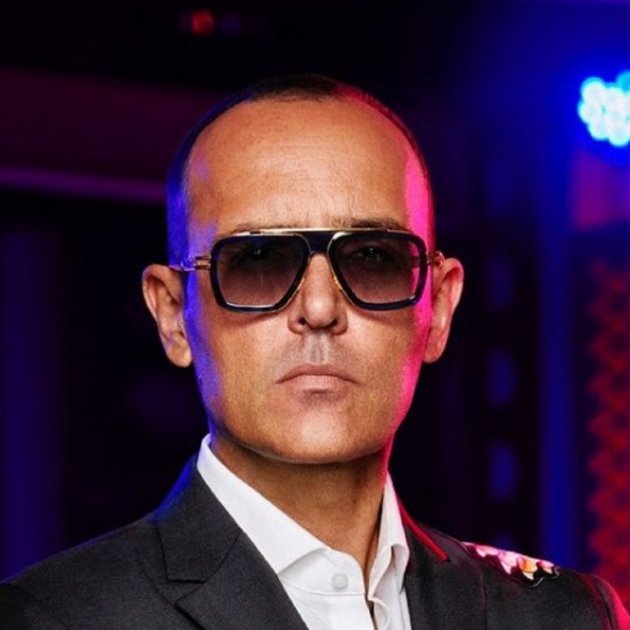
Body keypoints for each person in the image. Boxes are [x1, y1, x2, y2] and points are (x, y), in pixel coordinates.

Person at [0, 74, 628, 630]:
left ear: (437, 308)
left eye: (373, 259)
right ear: (173, 315)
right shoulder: (58, 619)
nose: (321, 308)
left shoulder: (563, 616)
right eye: (257, 261)